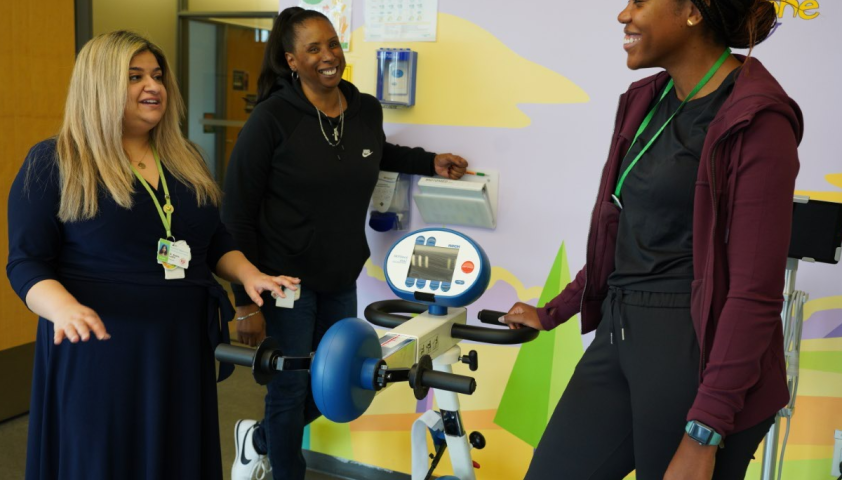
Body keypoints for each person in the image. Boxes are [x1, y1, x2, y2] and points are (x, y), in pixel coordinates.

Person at [500, 1, 800, 479]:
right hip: (620, 329)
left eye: (640, 1)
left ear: (693, 12)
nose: (624, 15)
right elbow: (629, 235)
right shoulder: (648, 100)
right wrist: (555, 310)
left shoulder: (758, 119)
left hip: (694, 351)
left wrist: (705, 431)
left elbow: (754, 294)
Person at [6, 31, 299, 480]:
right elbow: (26, 262)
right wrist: (62, 308)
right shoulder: (56, 161)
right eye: (134, 76)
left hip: (179, 345)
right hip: (101, 348)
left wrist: (248, 274)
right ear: (100, 85)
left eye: (157, 76)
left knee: (174, 457)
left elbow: (213, 239)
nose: (153, 86)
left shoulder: (184, 157)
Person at [221, 7, 468, 480]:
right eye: (313, 48)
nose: (328, 55)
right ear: (292, 61)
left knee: (335, 383)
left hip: (340, 275)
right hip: (284, 281)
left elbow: (374, 151)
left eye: (332, 43)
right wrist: (245, 303)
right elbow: (236, 213)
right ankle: (282, 467)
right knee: (290, 388)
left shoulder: (364, 109)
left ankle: (258, 440)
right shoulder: (272, 118)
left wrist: (430, 162)